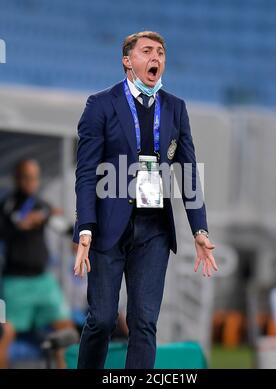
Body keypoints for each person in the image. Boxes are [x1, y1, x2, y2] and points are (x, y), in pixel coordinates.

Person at [73, 31, 218, 369]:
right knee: (103, 319)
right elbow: (86, 173)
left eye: (162, 53)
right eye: (147, 51)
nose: (156, 58)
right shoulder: (101, 104)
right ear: (128, 61)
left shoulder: (175, 108)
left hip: (154, 230)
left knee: (144, 323)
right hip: (108, 229)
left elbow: (189, 173)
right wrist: (85, 230)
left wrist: (201, 230)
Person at [0, 158, 74, 368]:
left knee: (66, 331)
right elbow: (12, 223)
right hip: (15, 283)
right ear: (17, 179)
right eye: (26, 177)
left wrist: (79, 238)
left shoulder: (42, 206)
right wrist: (21, 224)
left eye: (34, 178)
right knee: (4, 333)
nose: (30, 182)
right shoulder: (8, 204)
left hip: (43, 281)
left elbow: (62, 226)